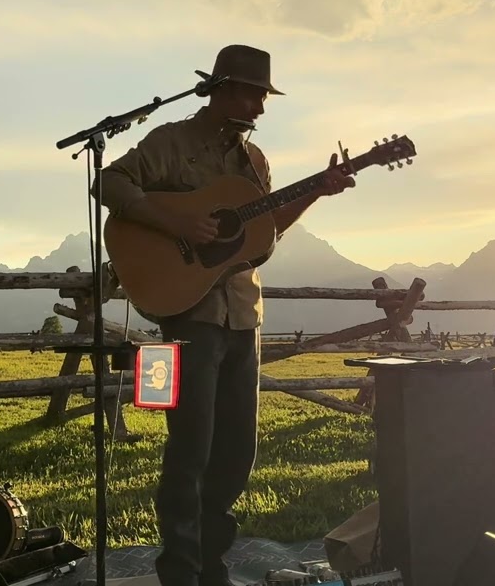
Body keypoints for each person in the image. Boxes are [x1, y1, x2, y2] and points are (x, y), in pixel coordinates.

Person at [98, 44, 356, 586]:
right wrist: (178, 226)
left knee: (237, 452)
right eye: (251, 93)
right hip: (187, 313)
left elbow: (263, 234)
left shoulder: (254, 163)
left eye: (264, 96)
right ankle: (180, 573)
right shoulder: (170, 142)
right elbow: (112, 184)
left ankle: (212, 569)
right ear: (220, 89)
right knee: (190, 448)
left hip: (244, 315)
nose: (260, 107)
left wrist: (317, 193)